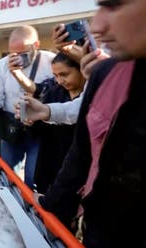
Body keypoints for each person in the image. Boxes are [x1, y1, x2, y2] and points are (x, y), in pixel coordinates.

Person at [36, 1, 146, 247]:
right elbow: (81, 154)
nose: (96, 25)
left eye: (115, 6)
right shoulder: (104, 73)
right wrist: (47, 206)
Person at [0, 25, 56, 189]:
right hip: (11, 126)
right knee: (8, 175)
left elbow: (57, 95)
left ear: (36, 45)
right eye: (12, 53)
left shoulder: (50, 62)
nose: (17, 58)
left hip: (41, 127)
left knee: (34, 176)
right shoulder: (1, 66)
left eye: (22, 53)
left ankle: (32, 211)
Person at [16, 53, 86, 196]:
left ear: (82, 70)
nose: (59, 81)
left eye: (64, 74)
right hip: (49, 166)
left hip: (79, 170)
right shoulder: (53, 92)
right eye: (55, 75)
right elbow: (39, 130)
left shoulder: (94, 97)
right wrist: (30, 122)